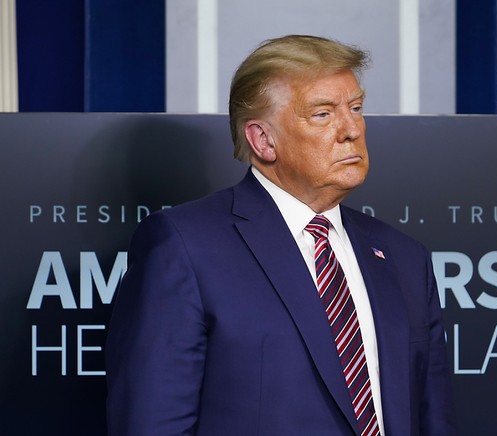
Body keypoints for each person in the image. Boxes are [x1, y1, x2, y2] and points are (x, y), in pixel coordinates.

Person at [106, 34, 456, 436]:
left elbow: (434, 419)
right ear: (263, 139)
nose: (351, 129)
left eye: (355, 107)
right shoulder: (184, 246)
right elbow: (152, 424)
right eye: (323, 114)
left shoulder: (404, 256)